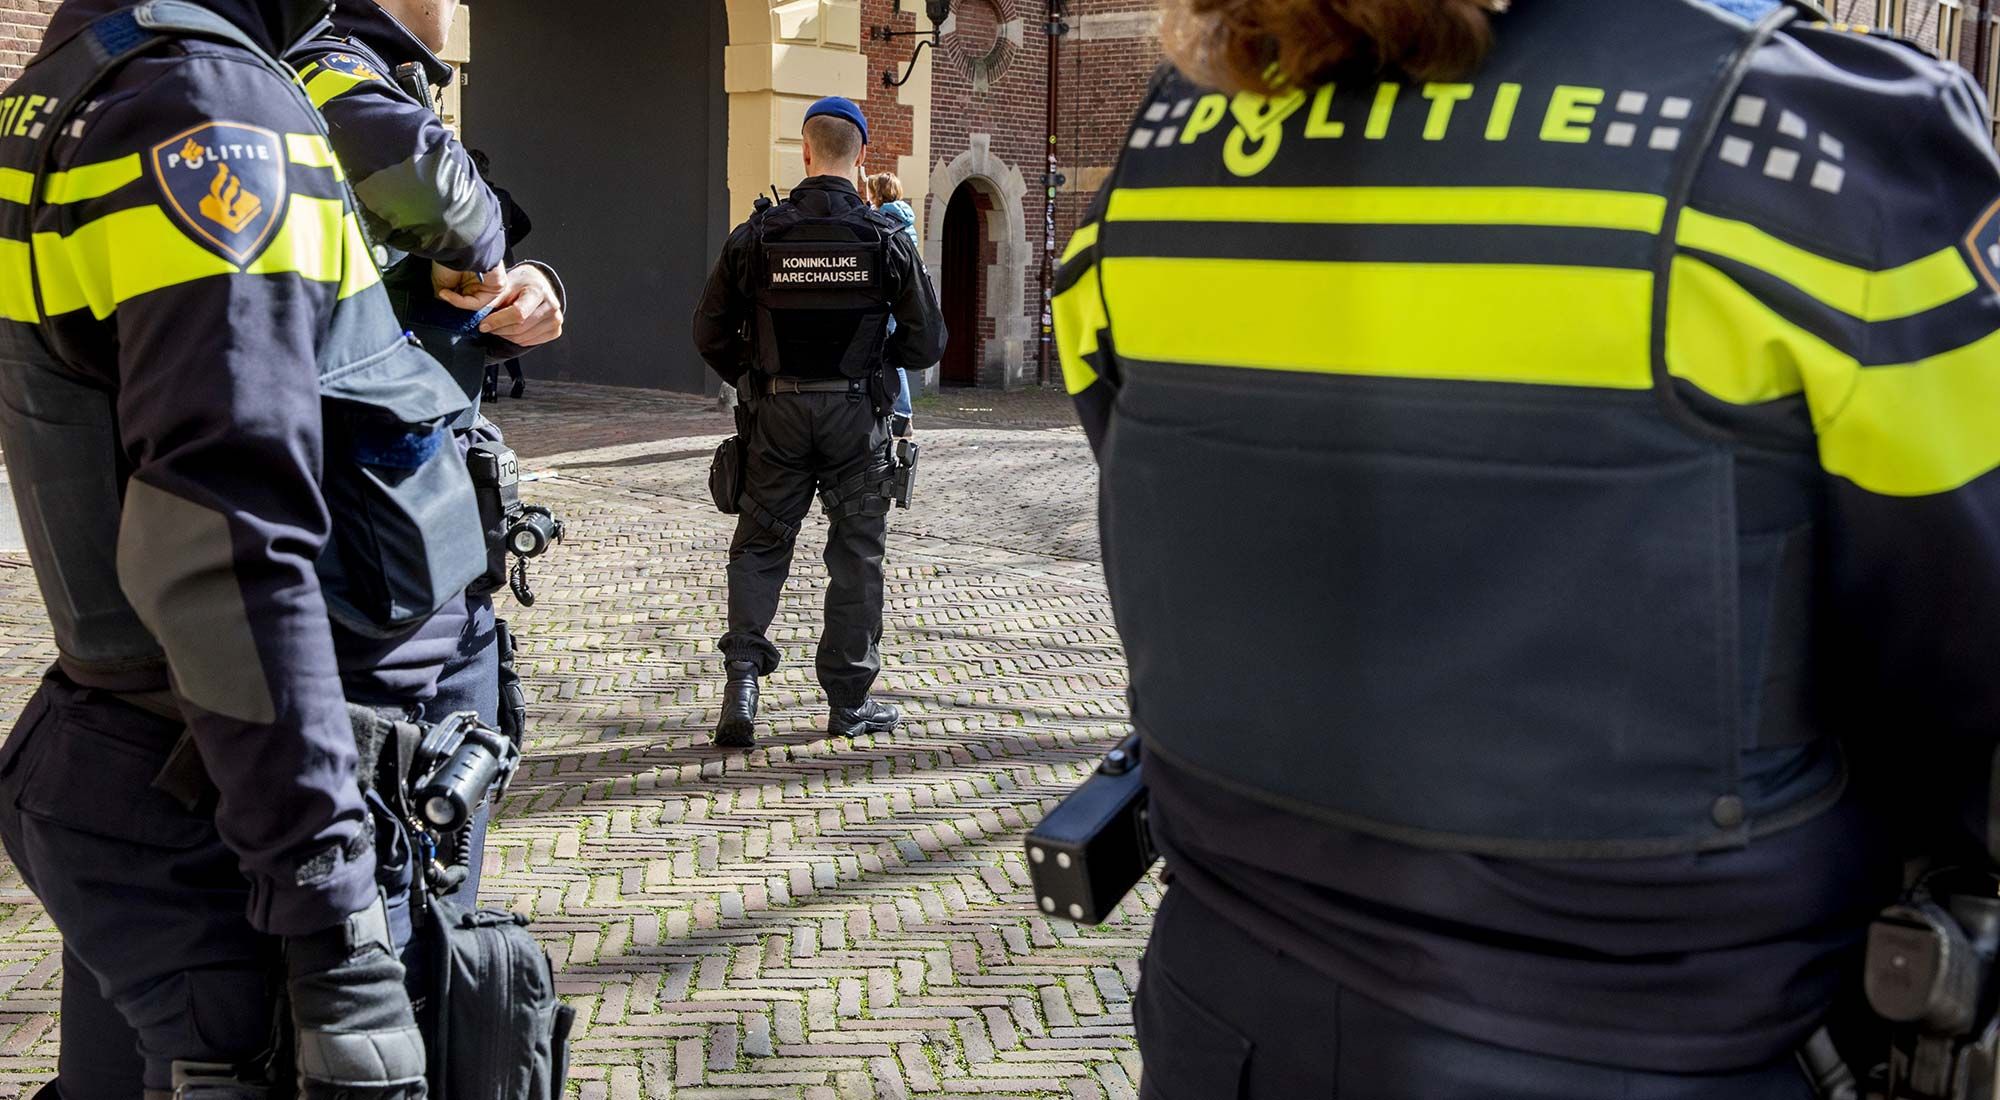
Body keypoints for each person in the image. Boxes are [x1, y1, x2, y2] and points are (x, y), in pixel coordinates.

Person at [1054, 0, 2000, 1095]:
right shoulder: (1809, 138)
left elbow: (1128, 451)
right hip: (1666, 1049)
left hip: (1221, 1032)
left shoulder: (1166, 145)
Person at [0, 0, 498, 1095]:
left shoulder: (89, 74)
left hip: (175, 767)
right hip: (252, 817)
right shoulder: (212, 109)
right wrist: (336, 936)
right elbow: (223, 539)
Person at [291, 0, 565, 904]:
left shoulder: (393, 78)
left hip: (433, 534)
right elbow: (456, 205)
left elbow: (444, 270)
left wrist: (523, 291)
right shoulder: (325, 69)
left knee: (443, 865)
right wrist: (480, 245)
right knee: (393, 889)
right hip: (365, 564)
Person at [693, 96, 945, 749]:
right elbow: (927, 342)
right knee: (857, 553)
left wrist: (754, 376)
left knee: (760, 544)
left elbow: (708, 331)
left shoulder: (758, 235)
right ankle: (848, 703)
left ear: (804, 152)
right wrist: (874, 363)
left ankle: (742, 686)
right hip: (855, 415)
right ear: (860, 157)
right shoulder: (884, 239)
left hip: (775, 412)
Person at [470, 147, 536, 401]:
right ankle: (517, 378)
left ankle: (490, 386)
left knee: (488, 324)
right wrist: (506, 243)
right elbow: (525, 224)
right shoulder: (502, 196)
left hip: (481, 266)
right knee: (503, 321)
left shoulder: (472, 194)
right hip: (505, 264)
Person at [868, 171, 920, 437]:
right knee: (892, 355)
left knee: (886, 355)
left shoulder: (884, 219)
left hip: (886, 296)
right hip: (903, 296)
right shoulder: (906, 219)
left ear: (878, 193)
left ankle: (901, 415)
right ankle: (902, 415)